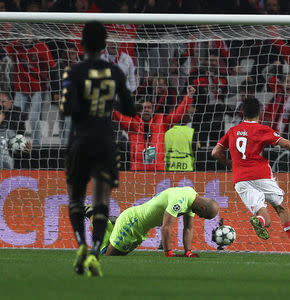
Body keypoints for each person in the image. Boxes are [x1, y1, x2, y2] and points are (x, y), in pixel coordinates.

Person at [61, 21, 136, 277]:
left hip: (79, 140)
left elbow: (65, 110)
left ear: (82, 43)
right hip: (105, 141)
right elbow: (130, 109)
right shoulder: (115, 71)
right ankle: (95, 250)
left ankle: (81, 244)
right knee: (101, 199)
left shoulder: (74, 71)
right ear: (105, 44)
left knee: (76, 197)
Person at [211, 97, 290, 259]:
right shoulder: (261, 129)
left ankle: (259, 220)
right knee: (280, 208)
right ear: (260, 112)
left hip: (240, 179)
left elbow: (215, 152)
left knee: (262, 213)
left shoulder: (232, 131)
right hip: (261, 175)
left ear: (242, 112)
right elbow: (285, 143)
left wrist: (231, 164)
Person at [85, 186, 219, 256]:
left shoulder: (191, 198)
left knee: (117, 254)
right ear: (202, 207)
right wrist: (169, 252)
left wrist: (188, 252)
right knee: (108, 257)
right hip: (132, 222)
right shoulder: (180, 200)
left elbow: (188, 228)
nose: (200, 217)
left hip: (141, 229)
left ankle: (108, 224)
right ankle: (94, 216)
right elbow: (166, 227)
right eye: (203, 216)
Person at [113, 86, 195, 171]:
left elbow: (178, 114)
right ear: (139, 110)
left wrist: (189, 97)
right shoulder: (132, 123)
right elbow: (116, 115)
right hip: (137, 170)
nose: (146, 110)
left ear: (153, 110)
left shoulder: (161, 121)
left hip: (158, 170)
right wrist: (107, 100)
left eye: (149, 108)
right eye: (144, 108)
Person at [164, 105, 196, 171]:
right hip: (187, 169)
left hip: (168, 169)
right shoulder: (192, 132)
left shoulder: (165, 132)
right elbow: (196, 150)